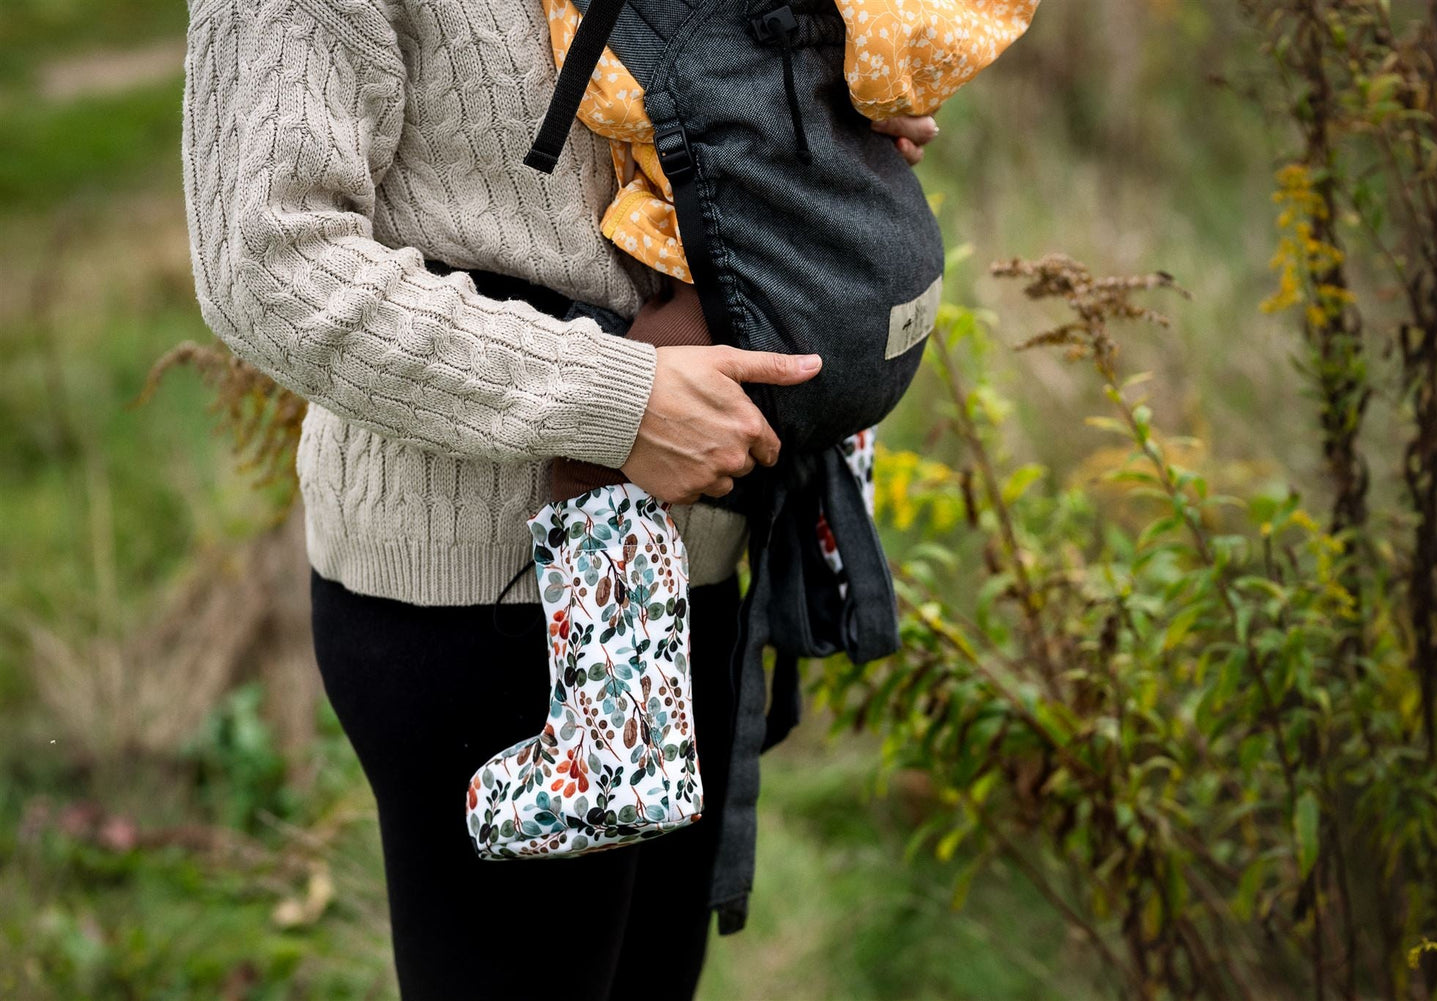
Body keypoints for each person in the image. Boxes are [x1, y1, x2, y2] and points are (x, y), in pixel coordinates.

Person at [180, 1, 939, 997]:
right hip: (481, 596)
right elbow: (267, 264)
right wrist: (616, 404)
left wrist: (822, 122)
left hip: (697, 556)